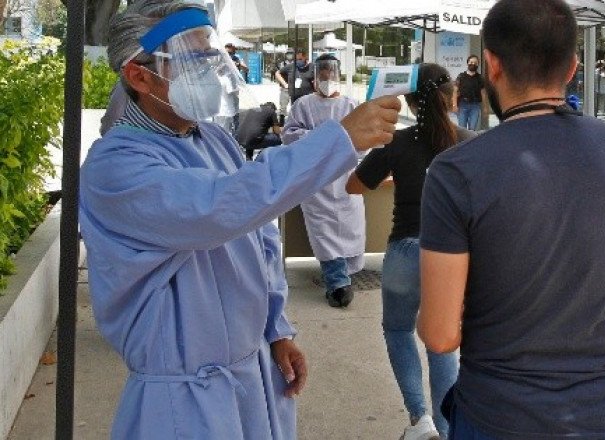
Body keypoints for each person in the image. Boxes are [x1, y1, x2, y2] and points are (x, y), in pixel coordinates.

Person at [79, 2, 401, 438]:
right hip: (183, 398)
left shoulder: (211, 138)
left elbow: (261, 237)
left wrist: (275, 329)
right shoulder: (115, 167)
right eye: (193, 62)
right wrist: (337, 140)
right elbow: (219, 207)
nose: (210, 74)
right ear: (139, 76)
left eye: (213, 60)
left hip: (253, 375)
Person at [416, 0, 605, 439]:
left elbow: (438, 334)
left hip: (499, 416)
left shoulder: (456, 173)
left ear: (491, 64)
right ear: (572, 68)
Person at [347, 63, 474, 440]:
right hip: (451, 256)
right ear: (450, 95)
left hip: (404, 250)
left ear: (409, 100)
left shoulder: (396, 142)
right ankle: (449, 428)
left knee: (398, 330)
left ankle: (421, 421)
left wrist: (394, 172)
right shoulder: (467, 141)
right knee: (442, 343)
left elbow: (354, 186)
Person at [282, 54, 364, 308]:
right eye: (323, 75)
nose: (327, 79)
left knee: (350, 229)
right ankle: (337, 283)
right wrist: (322, 137)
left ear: (338, 76)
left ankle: (343, 279)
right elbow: (289, 135)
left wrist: (339, 144)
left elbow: (364, 139)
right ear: (316, 77)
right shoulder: (303, 105)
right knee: (325, 232)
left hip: (347, 178)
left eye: (332, 74)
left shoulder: (352, 105)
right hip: (316, 181)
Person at [453, 55, 486, 131]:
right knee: (462, 129)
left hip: (475, 106)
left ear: (478, 65)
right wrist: (454, 105)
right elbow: (455, 91)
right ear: (467, 63)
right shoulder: (461, 76)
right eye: (471, 62)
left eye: (475, 63)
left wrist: (485, 107)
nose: (473, 64)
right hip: (463, 105)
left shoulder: (480, 78)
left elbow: (483, 93)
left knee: (472, 130)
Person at [274, 50, 295, 124]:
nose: (289, 55)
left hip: (294, 88)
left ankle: (293, 122)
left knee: (295, 106)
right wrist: (284, 84)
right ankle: (281, 123)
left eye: (291, 54)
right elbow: (277, 74)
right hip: (284, 88)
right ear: (285, 55)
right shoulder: (282, 64)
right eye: (288, 54)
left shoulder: (296, 64)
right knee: (283, 106)